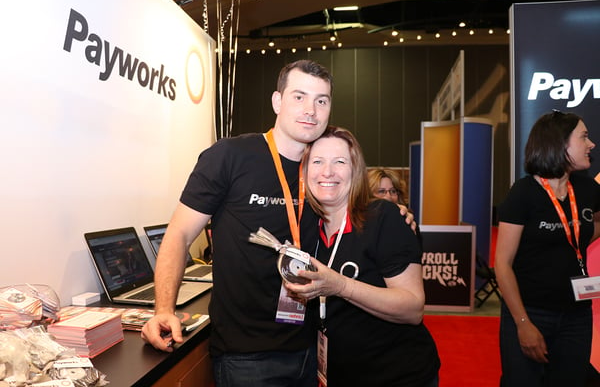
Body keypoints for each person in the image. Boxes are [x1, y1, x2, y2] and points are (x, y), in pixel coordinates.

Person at [140, 60, 415, 386]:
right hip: (246, 356)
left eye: (321, 100)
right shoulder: (229, 156)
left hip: (312, 347)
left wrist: (394, 211)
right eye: (299, 96)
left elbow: (352, 214)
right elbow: (179, 234)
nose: (310, 109)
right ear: (277, 101)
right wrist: (163, 309)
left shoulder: (319, 172)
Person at [286, 126, 440, 387]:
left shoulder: (384, 217)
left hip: (397, 376)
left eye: (339, 162)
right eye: (318, 161)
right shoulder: (307, 229)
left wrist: (340, 285)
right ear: (305, 170)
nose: (327, 172)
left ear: (355, 171)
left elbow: (413, 308)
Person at [494, 110, 600, 387]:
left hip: (577, 315)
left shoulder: (588, 189)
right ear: (560, 143)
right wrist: (522, 322)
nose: (591, 145)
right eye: (584, 137)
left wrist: (581, 232)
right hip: (531, 312)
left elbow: (586, 228)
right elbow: (503, 264)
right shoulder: (524, 193)